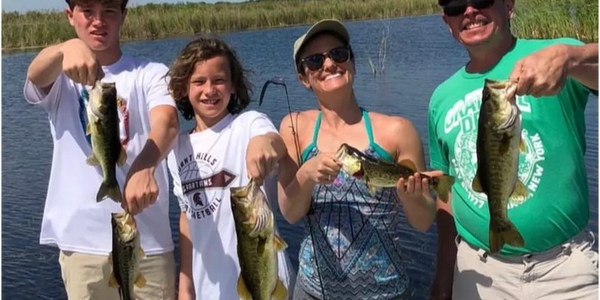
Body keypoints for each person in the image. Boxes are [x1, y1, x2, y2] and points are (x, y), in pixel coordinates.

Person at [428, 0, 600, 299]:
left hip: (567, 269)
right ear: (447, 22)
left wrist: (572, 57)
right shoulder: (440, 99)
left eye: (481, 0)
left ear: (508, 6)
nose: (469, 11)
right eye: (456, 5)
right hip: (478, 273)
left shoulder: (558, 54)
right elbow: (447, 195)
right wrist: (444, 274)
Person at [22, 0, 179, 299]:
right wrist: (65, 49)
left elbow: (168, 124)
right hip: (82, 244)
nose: (98, 21)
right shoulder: (61, 79)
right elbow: (35, 74)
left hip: (149, 241)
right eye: (87, 11)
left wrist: (145, 166)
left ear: (123, 15)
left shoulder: (151, 72)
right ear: (71, 16)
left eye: (109, 10)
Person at [276, 19, 441, 300]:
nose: (329, 64)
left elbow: (423, 223)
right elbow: (290, 214)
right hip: (313, 292)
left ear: (351, 61)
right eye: (315, 60)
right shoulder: (295, 127)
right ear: (303, 77)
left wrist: (413, 196)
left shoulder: (397, 131)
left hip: (386, 291)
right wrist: (305, 176)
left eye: (338, 54)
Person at [165, 34, 296, 300]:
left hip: (268, 283)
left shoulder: (247, 124)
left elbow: (274, 142)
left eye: (219, 81)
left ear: (234, 86)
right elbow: (187, 217)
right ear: (183, 89)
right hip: (209, 289)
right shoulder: (175, 150)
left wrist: (263, 144)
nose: (209, 90)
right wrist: (185, 286)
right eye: (198, 82)